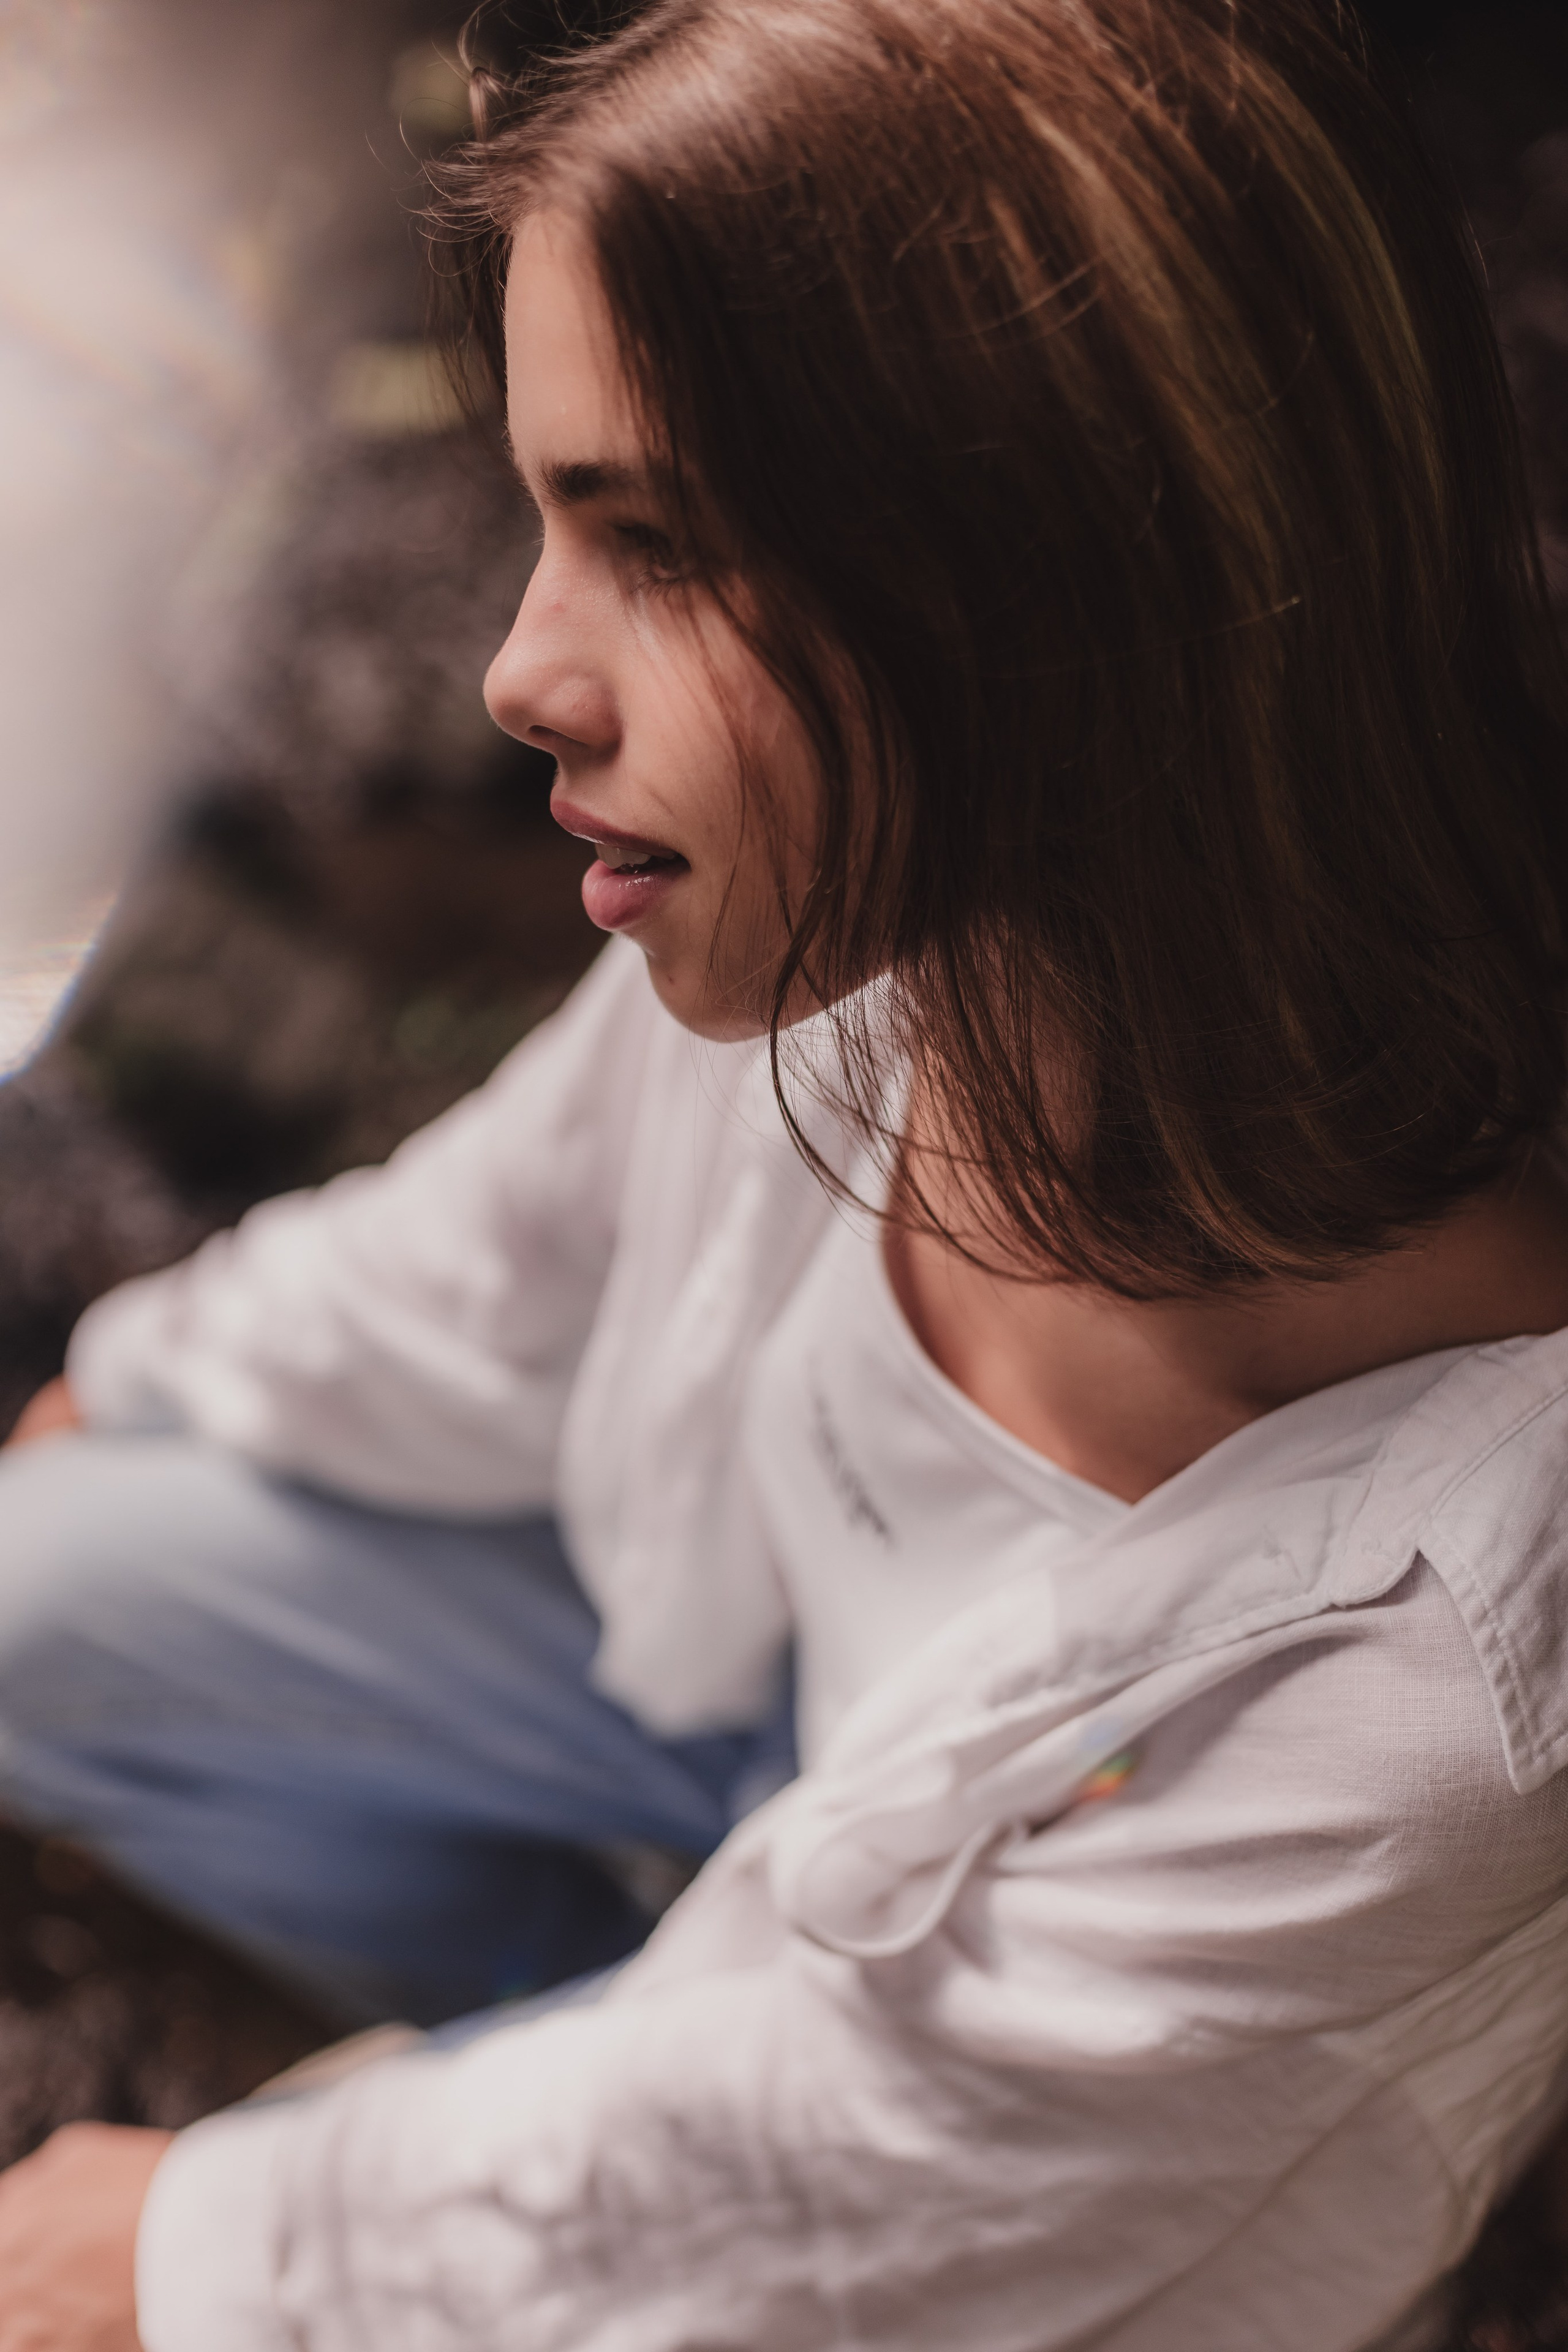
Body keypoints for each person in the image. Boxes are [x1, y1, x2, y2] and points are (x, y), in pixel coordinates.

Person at [4, 0, 1568, 2344]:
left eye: (665, 547)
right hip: (760, 1717)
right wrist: (145, 1382)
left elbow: (892, 2143)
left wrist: (236, 2239)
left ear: (1075, 607)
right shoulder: (868, 928)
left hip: (1024, 2130)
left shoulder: (1442, 1663)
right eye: (550, 515)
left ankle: (576, 2083)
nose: (521, 672)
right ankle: (604, 2018)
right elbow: (497, 1246)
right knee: (47, 1576)